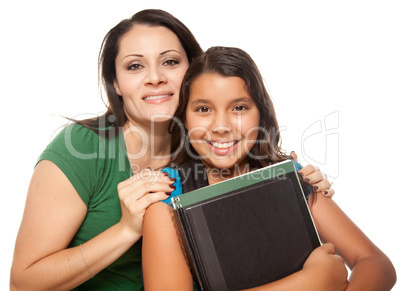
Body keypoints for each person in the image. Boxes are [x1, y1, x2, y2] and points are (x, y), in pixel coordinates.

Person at [10, 10, 334, 291]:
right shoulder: (82, 148)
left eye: (170, 61)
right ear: (116, 83)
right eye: (135, 66)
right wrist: (125, 230)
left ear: (193, 71)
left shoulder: (210, 148)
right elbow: (24, 283)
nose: (155, 78)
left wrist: (298, 188)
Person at [142, 47, 396, 291]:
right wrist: (311, 284)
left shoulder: (289, 178)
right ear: (184, 118)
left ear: (260, 115)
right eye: (203, 109)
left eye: (239, 108)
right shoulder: (166, 197)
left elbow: (376, 264)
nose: (221, 126)